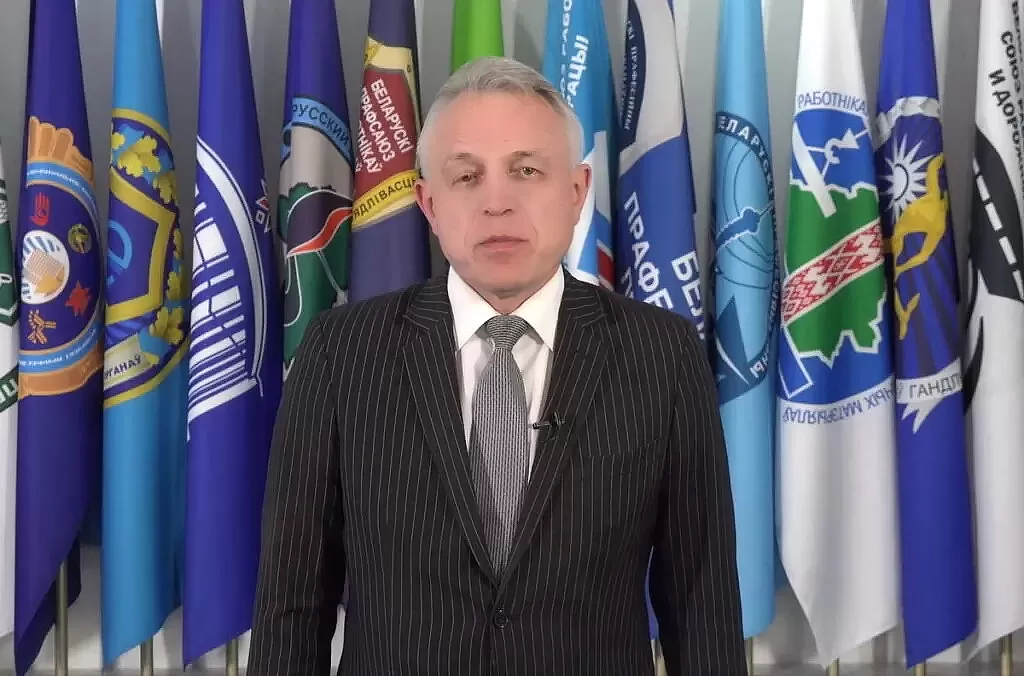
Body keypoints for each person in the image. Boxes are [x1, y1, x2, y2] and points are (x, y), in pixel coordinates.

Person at [247, 55, 746, 676]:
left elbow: (701, 601)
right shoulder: (342, 352)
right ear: (429, 203)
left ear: (577, 192)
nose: (497, 203)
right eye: (467, 177)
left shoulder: (661, 354)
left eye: (526, 170)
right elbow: (293, 602)